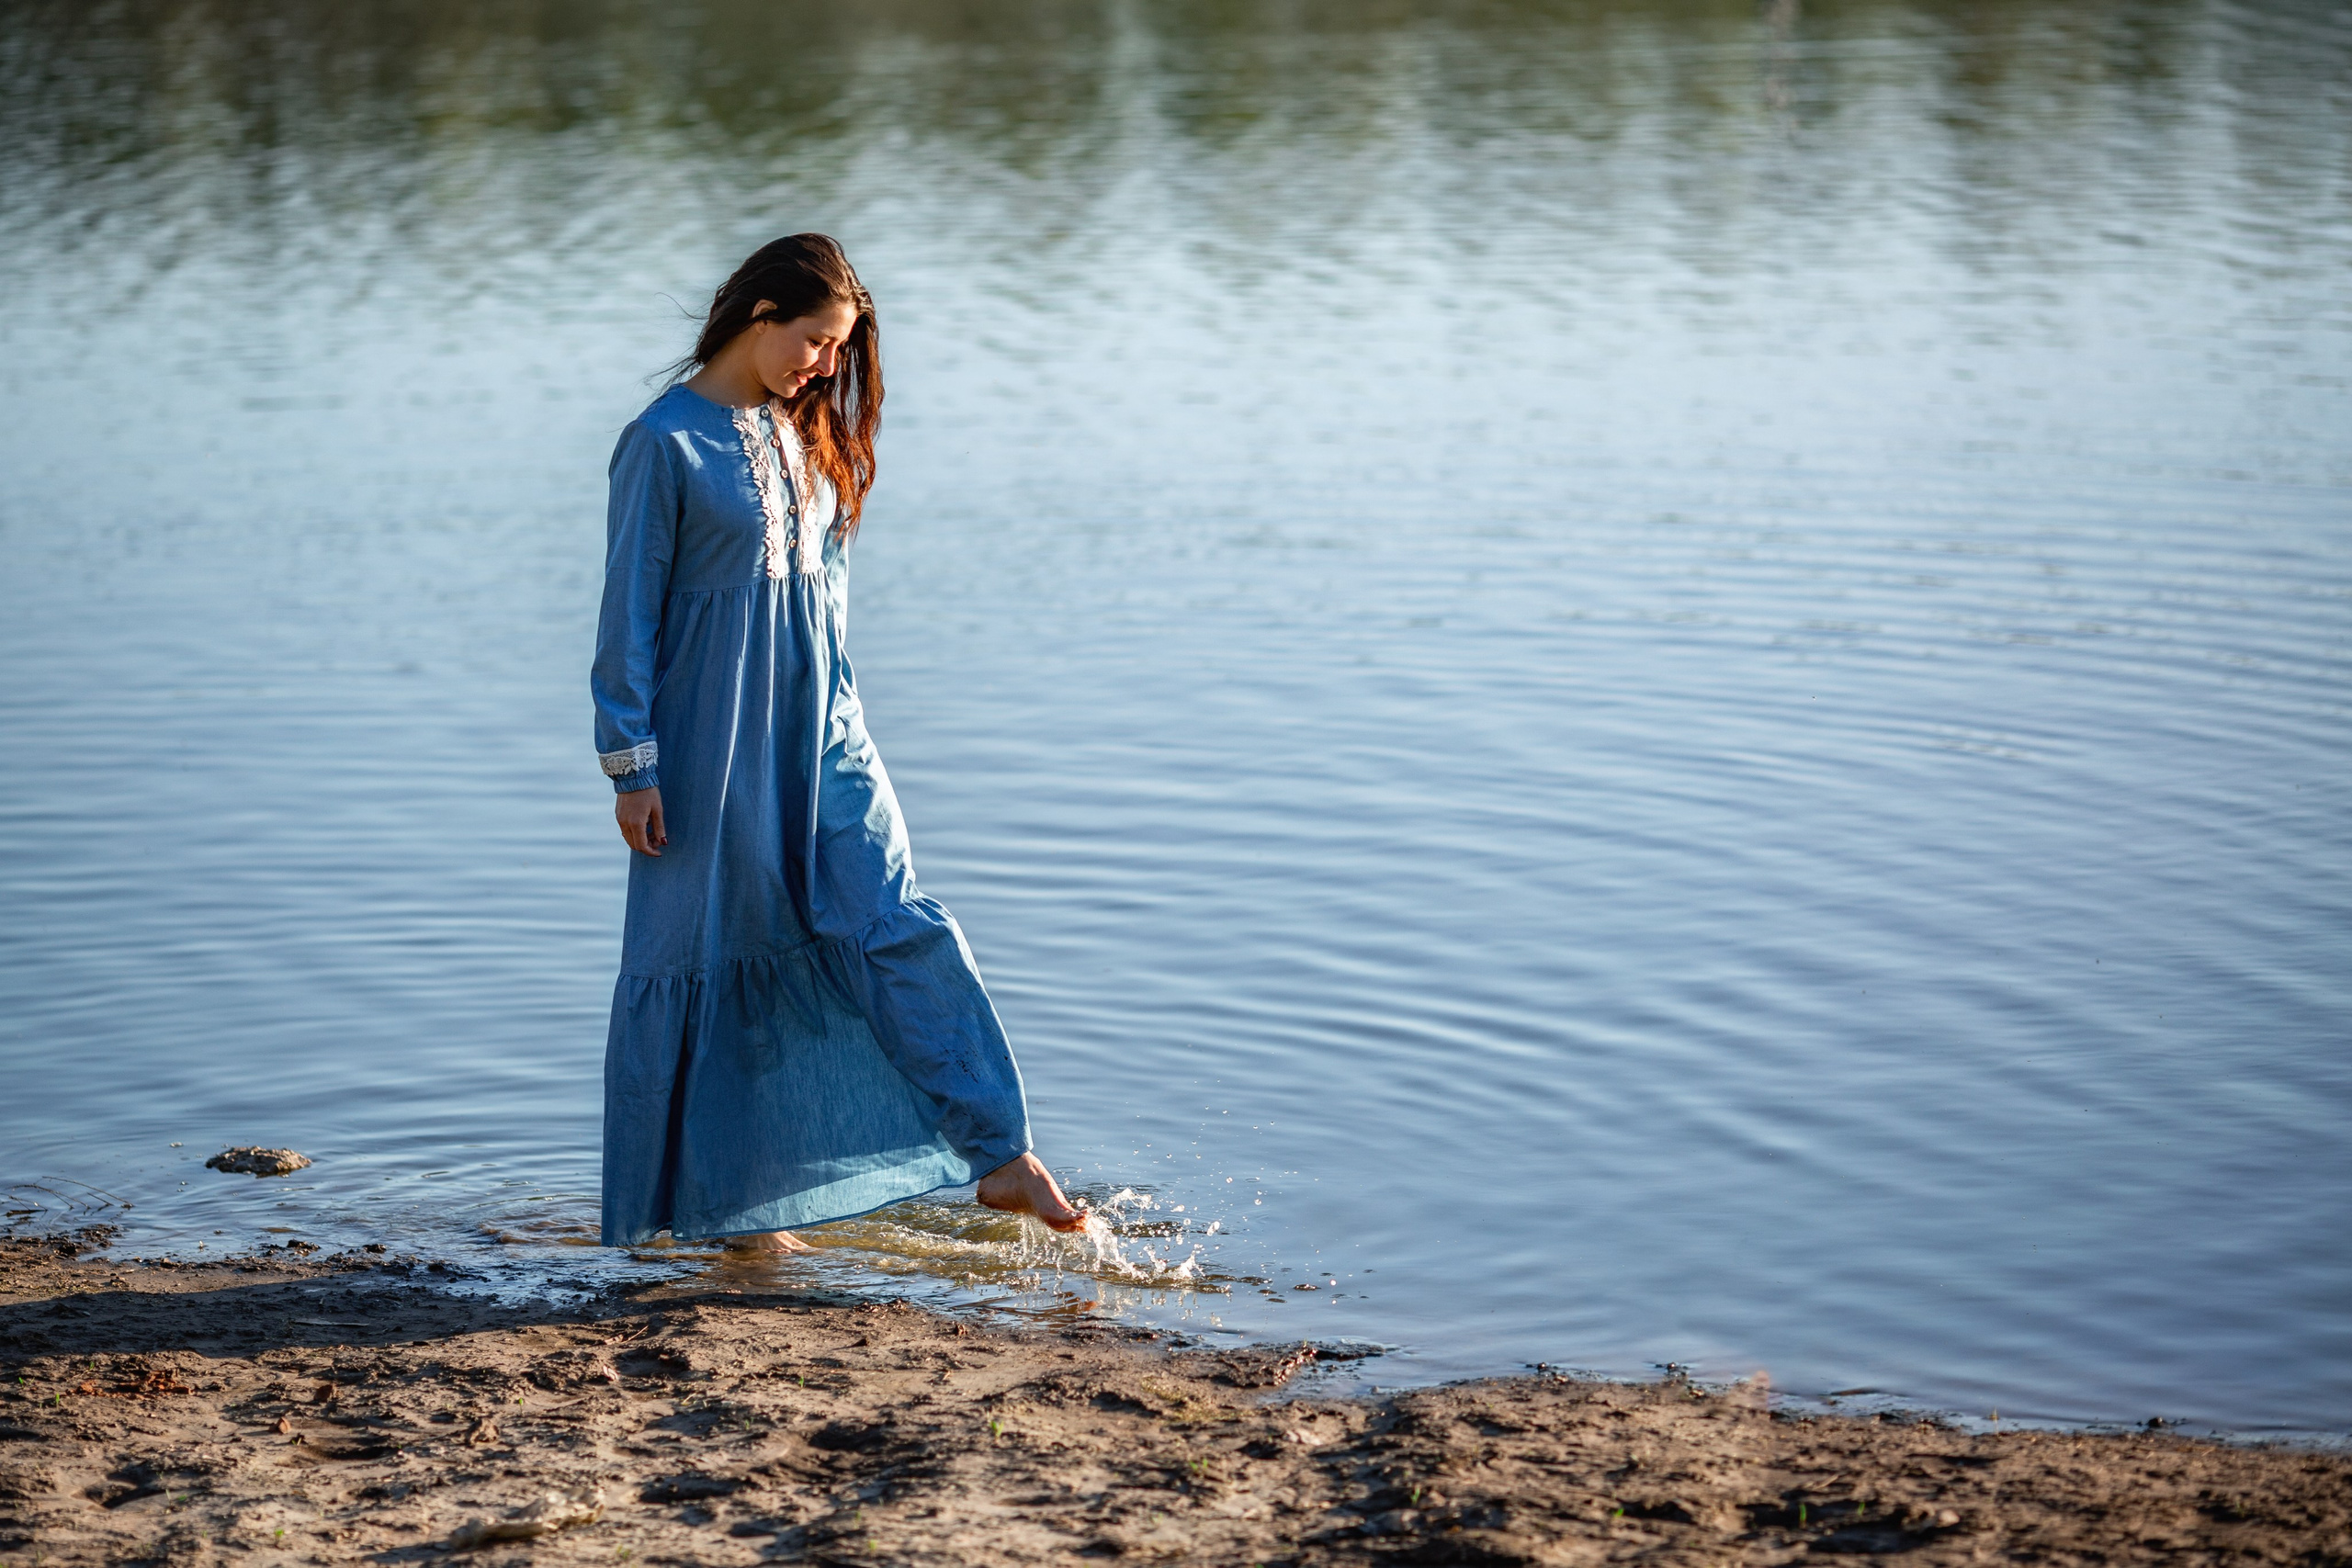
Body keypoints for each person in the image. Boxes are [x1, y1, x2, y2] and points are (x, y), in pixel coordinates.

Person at [590, 233, 1083, 1253]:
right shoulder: (664, 442)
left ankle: (998, 1154)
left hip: (823, 734)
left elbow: (828, 609)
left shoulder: (799, 436)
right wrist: (629, 762)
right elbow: (626, 615)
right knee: (721, 956)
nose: (825, 366)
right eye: (816, 342)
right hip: (707, 748)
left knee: (889, 915)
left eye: (837, 350)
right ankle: (738, 1217)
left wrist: (845, 722)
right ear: (759, 315)